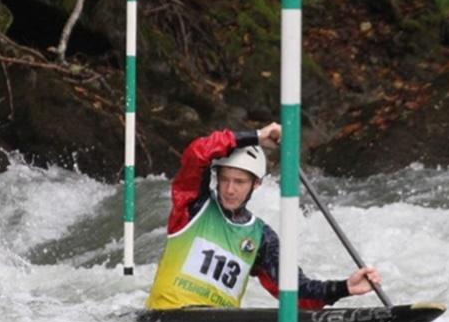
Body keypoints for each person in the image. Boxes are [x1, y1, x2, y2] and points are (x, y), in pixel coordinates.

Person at [145, 122, 381, 310]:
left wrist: (344, 288)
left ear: (256, 184)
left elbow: (293, 292)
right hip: (168, 317)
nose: (229, 189)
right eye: (224, 179)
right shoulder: (192, 206)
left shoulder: (262, 237)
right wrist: (256, 136)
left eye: (239, 182)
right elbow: (197, 154)